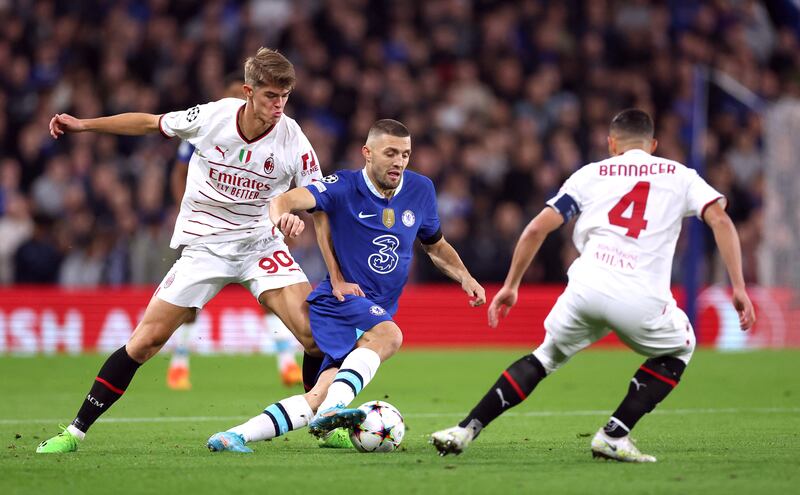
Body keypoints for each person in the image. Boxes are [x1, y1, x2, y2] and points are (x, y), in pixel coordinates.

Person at [37, 47, 328, 454]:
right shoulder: (212, 117)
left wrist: (295, 211)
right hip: (205, 247)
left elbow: (316, 195)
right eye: (270, 96)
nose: (279, 106)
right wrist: (84, 124)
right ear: (248, 92)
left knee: (316, 337)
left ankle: (324, 425)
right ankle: (75, 431)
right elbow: (149, 123)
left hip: (260, 244)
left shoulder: (293, 138)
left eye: (285, 96)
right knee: (144, 343)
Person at [430, 109, 756, 462]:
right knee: (681, 346)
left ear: (612, 143)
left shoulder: (592, 173)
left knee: (544, 357)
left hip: (586, 287)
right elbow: (720, 219)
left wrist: (511, 285)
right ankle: (615, 434)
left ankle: (464, 429)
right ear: (654, 145)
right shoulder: (681, 175)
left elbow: (536, 229)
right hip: (640, 297)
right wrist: (738, 286)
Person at [206, 119, 486, 453]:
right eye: (391, 153)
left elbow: (435, 245)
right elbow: (284, 200)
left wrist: (465, 277)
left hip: (375, 309)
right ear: (367, 153)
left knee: (320, 393)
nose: (399, 161)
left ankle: (234, 436)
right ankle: (333, 411)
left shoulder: (421, 189)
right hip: (340, 300)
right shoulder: (341, 186)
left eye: (406, 154)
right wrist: (282, 217)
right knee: (390, 335)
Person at [166, 73, 302, 391]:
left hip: (256, 231)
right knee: (188, 306)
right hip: (207, 230)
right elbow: (179, 173)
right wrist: (186, 211)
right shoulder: (209, 127)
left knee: (271, 297)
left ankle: (287, 363)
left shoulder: (274, 135)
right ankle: (179, 364)